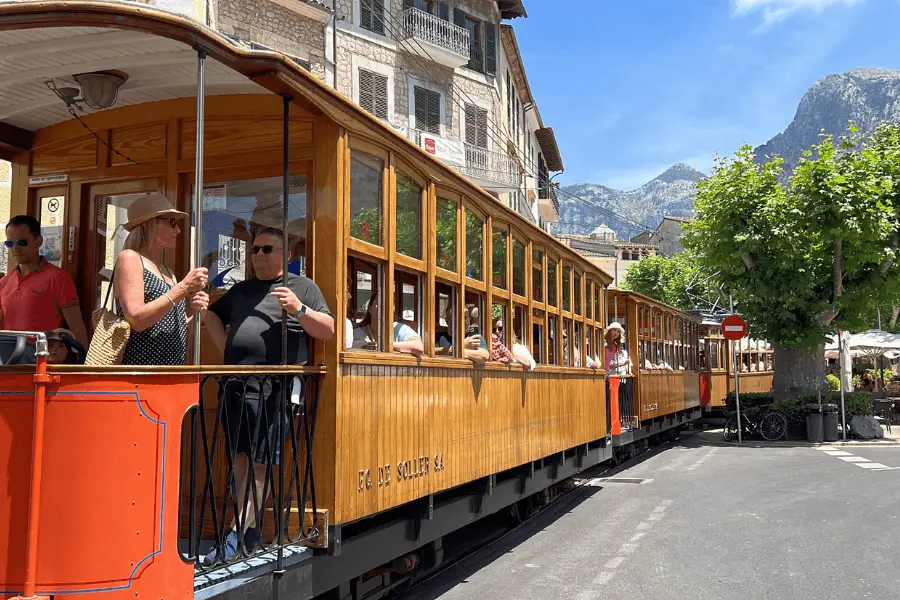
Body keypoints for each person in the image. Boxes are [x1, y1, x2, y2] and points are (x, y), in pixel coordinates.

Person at [203, 227, 334, 564]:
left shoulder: (302, 287)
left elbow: (328, 329)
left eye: (265, 249)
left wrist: (300, 310)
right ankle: (247, 533)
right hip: (236, 385)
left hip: (273, 390)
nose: (257, 255)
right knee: (241, 459)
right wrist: (227, 355)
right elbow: (215, 319)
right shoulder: (242, 291)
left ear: (284, 253)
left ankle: (234, 537)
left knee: (260, 462)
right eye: (254, 249)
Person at [114, 194, 209, 365]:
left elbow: (170, 330)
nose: (177, 230)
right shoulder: (130, 258)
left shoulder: (166, 271)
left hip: (170, 370)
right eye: (172, 222)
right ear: (149, 224)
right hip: (142, 372)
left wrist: (197, 316)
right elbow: (137, 319)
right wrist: (183, 287)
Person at [0, 215, 88, 364]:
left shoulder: (58, 278)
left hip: (43, 362)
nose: (15, 248)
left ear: (38, 241)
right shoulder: (4, 282)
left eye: (22, 242)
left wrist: (83, 366)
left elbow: (76, 326)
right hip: (8, 362)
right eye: (10, 243)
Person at [347, 295, 423, 355]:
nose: (384, 307)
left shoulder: (399, 329)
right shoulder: (355, 334)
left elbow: (418, 346)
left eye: (389, 304)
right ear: (370, 309)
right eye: (379, 303)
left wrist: (383, 346)